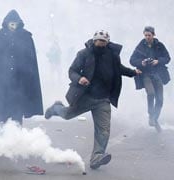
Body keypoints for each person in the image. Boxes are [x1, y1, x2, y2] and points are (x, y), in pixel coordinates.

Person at [45, 30, 141, 169]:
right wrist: (80, 78)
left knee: (103, 130)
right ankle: (56, 108)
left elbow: (119, 69)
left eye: (104, 41)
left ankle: (97, 157)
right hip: (85, 97)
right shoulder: (84, 54)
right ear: (94, 40)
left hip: (103, 99)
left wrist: (133, 72)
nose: (102, 44)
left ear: (108, 42)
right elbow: (72, 71)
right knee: (66, 115)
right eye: (99, 41)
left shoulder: (112, 55)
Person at [0, 10, 43, 126]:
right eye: (11, 24)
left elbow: (30, 58)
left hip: (19, 79)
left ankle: (17, 129)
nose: (13, 26)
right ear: (6, 23)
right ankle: (1, 129)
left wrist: (28, 74)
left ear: (18, 23)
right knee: (1, 105)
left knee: (18, 105)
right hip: (1, 79)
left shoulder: (25, 36)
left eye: (14, 24)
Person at [130, 26, 171, 132]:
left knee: (160, 100)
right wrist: (141, 62)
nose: (147, 37)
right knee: (151, 93)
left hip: (157, 74)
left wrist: (158, 61)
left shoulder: (159, 45)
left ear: (153, 35)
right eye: (145, 35)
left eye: (149, 35)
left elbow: (167, 58)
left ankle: (155, 118)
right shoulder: (140, 46)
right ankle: (151, 115)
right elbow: (132, 60)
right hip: (145, 74)